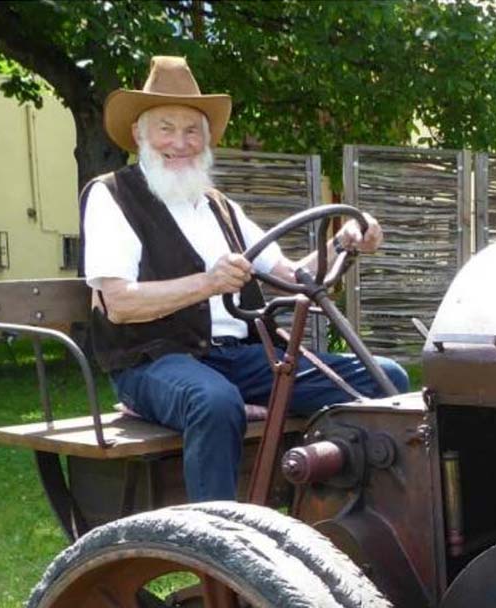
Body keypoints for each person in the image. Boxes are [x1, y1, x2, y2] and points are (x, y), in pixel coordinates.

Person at [81, 56, 410, 501]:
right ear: (140, 134)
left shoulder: (219, 205)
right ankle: (218, 542)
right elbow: (118, 303)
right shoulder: (112, 195)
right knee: (214, 402)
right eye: (165, 128)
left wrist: (342, 244)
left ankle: (349, 520)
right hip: (152, 362)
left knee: (383, 379)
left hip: (242, 357)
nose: (180, 142)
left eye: (192, 130)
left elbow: (293, 275)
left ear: (207, 139)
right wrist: (208, 282)